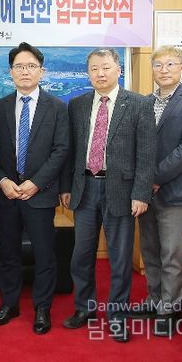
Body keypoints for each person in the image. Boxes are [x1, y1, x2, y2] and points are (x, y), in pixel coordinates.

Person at [60, 48, 155, 343]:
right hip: (85, 188)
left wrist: (141, 193)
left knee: (120, 258)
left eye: (105, 67)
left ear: (118, 70)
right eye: (94, 69)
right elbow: (69, 151)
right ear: (88, 73)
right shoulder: (77, 105)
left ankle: (118, 317)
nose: (100, 73)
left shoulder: (138, 104)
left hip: (122, 192)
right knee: (81, 255)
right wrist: (66, 186)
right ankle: (84, 308)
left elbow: (146, 154)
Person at [0, 42, 69, 334]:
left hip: (40, 193)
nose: (25, 71)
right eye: (19, 66)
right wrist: (2, 180)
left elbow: (61, 150)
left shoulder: (57, 107)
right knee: (8, 253)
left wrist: (36, 183)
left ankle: (42, 308)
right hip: (7, 193)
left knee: (44, 254)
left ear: (41, 71)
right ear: (11, 72)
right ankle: (9, 304)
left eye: (31, 66)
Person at [134, 46, 182, 336]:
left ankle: (170, 309)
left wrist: (154, 177)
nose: (163, 70)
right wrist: (143, 181)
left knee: (172, 254)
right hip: (145, 193)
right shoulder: (144, 102)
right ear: (152, 69)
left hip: (176, 193)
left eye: (170, 64)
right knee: (150, 251)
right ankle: (154, 300)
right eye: (158, 65)